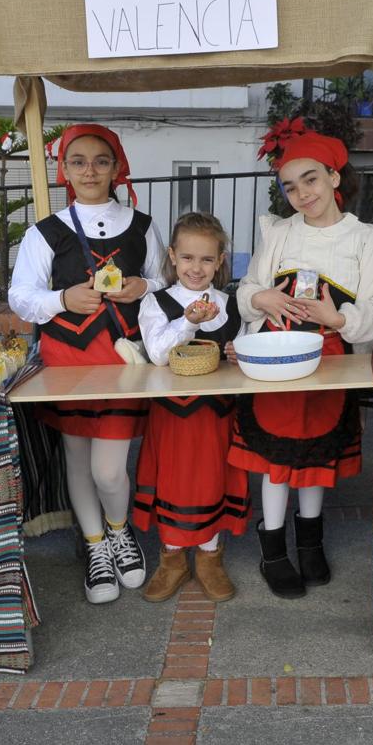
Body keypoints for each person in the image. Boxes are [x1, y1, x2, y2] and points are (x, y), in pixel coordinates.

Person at [229, 129, 373, 599]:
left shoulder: (367, 240)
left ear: (334, 176)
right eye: (291, 187)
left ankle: (311, 540)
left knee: (316, 455)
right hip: (274, 363)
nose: (302, 194)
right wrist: (260, 296)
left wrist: (338, 317)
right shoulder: (279, 233)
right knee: (277, 458)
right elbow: (246, 290)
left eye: (311, 180)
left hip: (329, 362)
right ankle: (274, 548)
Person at [8, 124, 166, 605]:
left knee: (110, 471)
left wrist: (142, 287)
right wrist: (61, 297)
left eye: (101, 160)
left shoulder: (142, 225)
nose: (90, 170)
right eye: (78, 161)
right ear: (65, 169)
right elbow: (21, 297)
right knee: (77, 457)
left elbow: (164, 280)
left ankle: (120, 531)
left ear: (117, 167)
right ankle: (96, 544)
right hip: (67, 362)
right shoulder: (45, 232)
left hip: (122, 361)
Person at [133, 212, 249, 603]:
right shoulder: (157, 302)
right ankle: (172, 559)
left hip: (216, 415)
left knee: (212, 480)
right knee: (174, 482)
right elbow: (159, 355)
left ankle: (210, 557)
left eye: (205, 259)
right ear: (172, 256)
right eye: (187, 258)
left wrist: (238, 353)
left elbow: (244, 355)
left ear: (219, 262)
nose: (195, 268)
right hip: (172, 417)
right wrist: (188, 322)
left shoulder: (231, 305)